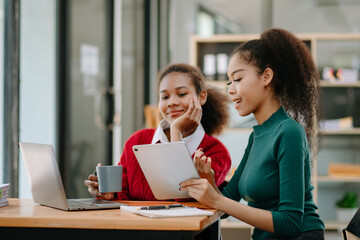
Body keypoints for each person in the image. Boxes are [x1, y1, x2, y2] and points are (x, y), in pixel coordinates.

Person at [180, 28, 325, 240]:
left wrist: (217, 200)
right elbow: (228, 202)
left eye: (237, 79)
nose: (230, 89)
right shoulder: (256, 136)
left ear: (266, 77)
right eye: (229, 82)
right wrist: (208, 181)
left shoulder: (289, 132)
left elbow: (290, 223)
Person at [84, 63, 232, 201]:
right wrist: (110, 195)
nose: (171, 102)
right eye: (165, 97)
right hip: (139, 228)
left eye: (181, 94)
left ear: (201, 97)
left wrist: (176, 131)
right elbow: (123, 196)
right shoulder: (137, 140)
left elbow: (185, 198)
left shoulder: (216, 152)